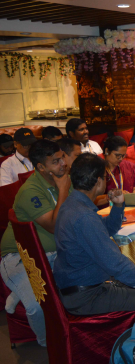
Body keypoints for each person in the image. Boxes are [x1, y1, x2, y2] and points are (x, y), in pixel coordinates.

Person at [53, 153, 135, 328]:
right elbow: (115, 264)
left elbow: (105, 229)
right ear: (98, 181)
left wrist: (118, 206)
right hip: (86, 295)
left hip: (78, 284)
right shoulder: (84, 216)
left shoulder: (73, 204)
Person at [0, 139, 71, 346]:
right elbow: (53, 225)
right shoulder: (31, 191)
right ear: (40, 167)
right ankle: (45, 343)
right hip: (21, 256)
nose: (63, 164)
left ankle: (17, 291)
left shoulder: (63, 178)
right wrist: (64, 189)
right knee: (38, 305)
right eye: (56, 161)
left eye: (62, 158)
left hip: (52, 253)